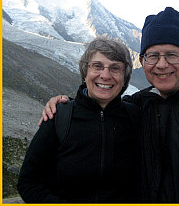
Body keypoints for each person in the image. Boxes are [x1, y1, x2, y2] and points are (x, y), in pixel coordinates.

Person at [42, 7, 179, 203]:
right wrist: (66, 104)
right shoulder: (139, 105)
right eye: (153, 56)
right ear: (143, 61)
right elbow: (100, 107)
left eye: (172, 55)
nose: (161, 64)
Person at [18, 36, 140, 202]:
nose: (105, 75)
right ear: (85, 72)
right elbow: (29, 182)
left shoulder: (136, 117)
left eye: (115, 68)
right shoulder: (59, 117)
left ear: (124, 77)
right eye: (97, 66)